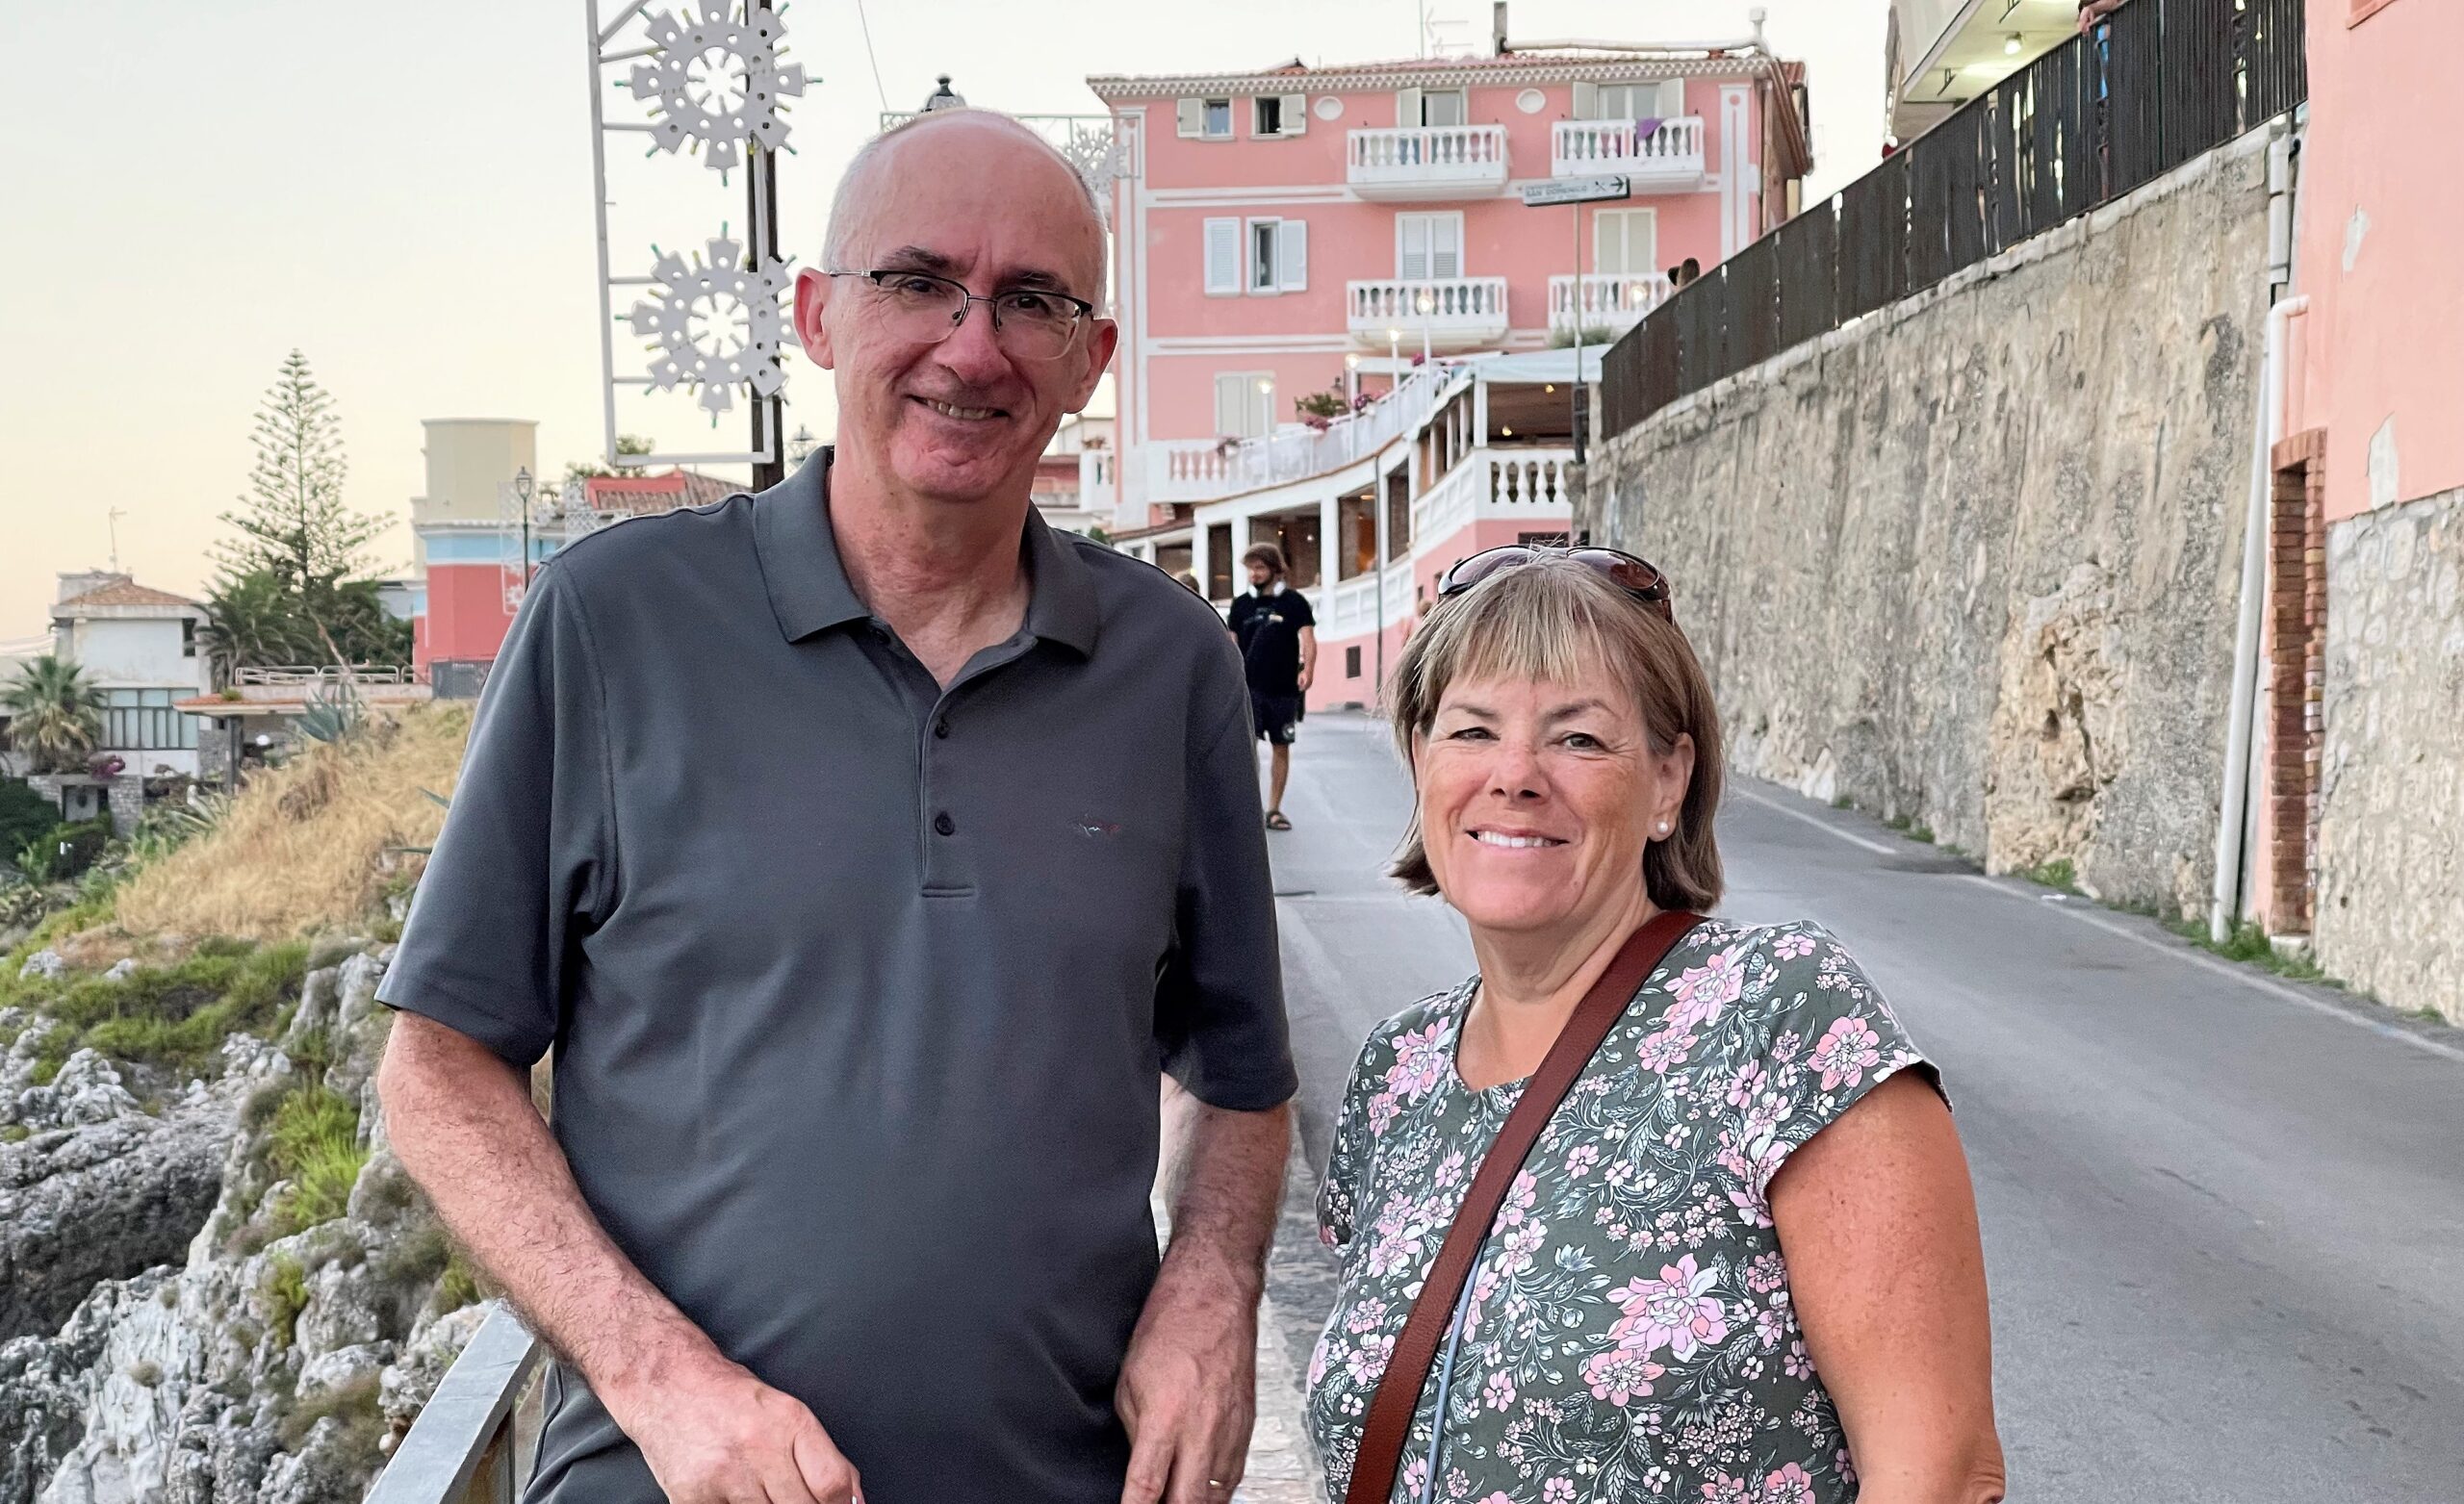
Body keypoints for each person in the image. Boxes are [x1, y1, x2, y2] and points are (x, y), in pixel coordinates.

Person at [375, 109, 1297, 1504]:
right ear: (816, 315)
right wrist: (660, 1378)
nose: (972, 346)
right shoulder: (614, 624)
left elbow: (1241, 1077)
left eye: (1033, 301)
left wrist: (1214, 1280)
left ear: (1091, 359)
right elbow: (436, 1067)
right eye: (918, 281)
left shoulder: (1173, 666)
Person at [1304, 548, 2005, 1503]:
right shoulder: (1398, 1073)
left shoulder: (1776, 1017)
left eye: (1578, 740)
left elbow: (1940, 1475)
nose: (1514, 775)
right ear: (1422, 760)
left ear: (1668, 782)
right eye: (1470, 731)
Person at [1226, 543, 1316, 831]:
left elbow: (1308, 639)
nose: (1254, 574)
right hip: (1249, 689)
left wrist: (1308, 670)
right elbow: (1230, 644)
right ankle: (1248, 809)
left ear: (1275, 570)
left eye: (1260, 568)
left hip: (1283, 689)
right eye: (1251, 569)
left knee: (1281, 746)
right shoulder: (1241, 605)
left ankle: (1274, 809)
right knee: (1246, 748)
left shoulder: (1294, 602)